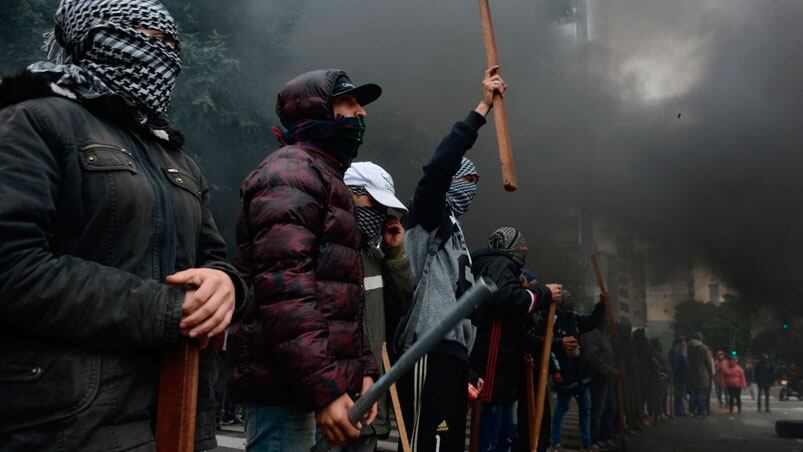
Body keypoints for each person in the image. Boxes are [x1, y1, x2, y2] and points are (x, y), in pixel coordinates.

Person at [0, 1, 246, 450]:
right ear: (92, 38)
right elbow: (12, 267)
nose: (164, 53)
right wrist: (166, 310)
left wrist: (226, 285)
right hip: (69, 424)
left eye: (171, 43)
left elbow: (212, 257)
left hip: (180, 416)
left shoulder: (176, 158)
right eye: (146, 35)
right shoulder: (32, 121)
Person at [227, 69, 382, 450]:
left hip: (316, 386)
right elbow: (287, 295)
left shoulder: (326, 178)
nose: (361, 113)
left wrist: (362, 368)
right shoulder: (287, 174)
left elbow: (342, 295)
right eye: (349, 103)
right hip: (287, 394)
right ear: (317, 111)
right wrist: (325, 390)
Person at [395, 66, 507, 452]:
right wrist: (480, 110)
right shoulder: (427, 214)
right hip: (428, 348)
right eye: (467, 180)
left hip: (454, 356)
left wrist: (472, 366)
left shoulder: (458, 232)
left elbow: (466, 305)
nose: (470, 190)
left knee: (448, 445)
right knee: (430, 445)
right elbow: (439, 168)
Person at [314, 161, 414, 451]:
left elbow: (405, 302)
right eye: (375, 205)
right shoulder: (320, 244)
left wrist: (395, 252)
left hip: (369, 398)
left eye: (385, 209)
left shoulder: (375, 254)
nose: (381, 215)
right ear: (350, 194)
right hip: (329, 401)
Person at [468, 227, 560, 452]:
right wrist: (544, 294)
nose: (524, 252)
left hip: (502, 365)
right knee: (490, 438)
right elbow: (506, 299)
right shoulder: (500, 263)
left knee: (501, 436)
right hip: (494, 363)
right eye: (521, 248)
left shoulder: (490, 265)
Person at [549, 291, 606, 452]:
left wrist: (601, 305)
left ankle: (586, 443)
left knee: (586, 407)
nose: (570, 301)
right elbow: (550, 349)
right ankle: (555, 441)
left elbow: (593, 321)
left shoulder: (574, 319)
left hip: (579, 371)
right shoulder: (552, 321)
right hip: (565, 372)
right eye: (567, 300)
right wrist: (556, 370)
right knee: (562, 407)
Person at [581, 322, 618, 451]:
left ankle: (606, 437)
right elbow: (592, 357)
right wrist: (608, 369)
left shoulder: (604, 335)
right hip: (597, 377)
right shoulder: (591, 334)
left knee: (610, 407)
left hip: (607, 378)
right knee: (598, 409)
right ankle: (595, 438)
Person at [686, 332, 714, 417]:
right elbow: (708, 362)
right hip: (703, 374)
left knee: (693, 393)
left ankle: (692, 410)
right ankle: (701, 411)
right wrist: (711, 373)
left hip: (692, 373)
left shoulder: (689, 348)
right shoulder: (704, 348)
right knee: (703, 393)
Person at [668, 337, 689, 416]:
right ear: (679, 343)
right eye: (683, 343)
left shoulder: (677, 352)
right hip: (680, 377)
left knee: (681, 394)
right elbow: (675, 365)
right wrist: (674, 374)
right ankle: (679, 411)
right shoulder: (675, 352)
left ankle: (681, 410)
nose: (685, 344)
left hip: (681, 376)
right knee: (679, 394)